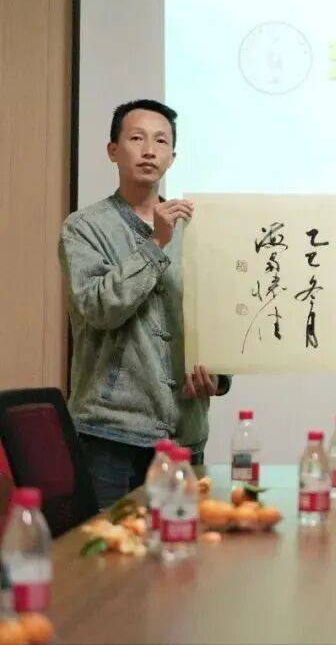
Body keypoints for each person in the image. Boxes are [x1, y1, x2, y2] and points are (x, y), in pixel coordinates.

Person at [59, 99, 229, 508]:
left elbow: (216, 316)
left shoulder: (195, 231)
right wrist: (156, 244)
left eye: (161, 141)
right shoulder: (84, 228)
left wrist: (218, 374)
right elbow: (98, 308)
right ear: (113, 151)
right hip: (110, 433)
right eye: (137, 139)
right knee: (110, 546)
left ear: (173, 156)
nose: (150, 150)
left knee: (179, 544)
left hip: (184, 432)